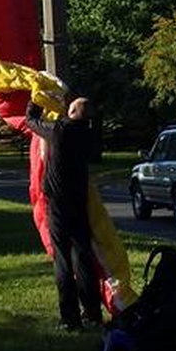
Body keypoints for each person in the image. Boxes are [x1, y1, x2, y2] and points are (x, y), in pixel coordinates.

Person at [26, 96, 103, 331]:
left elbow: (32, 122)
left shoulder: (61, 130)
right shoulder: (88, 135)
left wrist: (35, 99)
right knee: (83, 255)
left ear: (71, 111)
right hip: (80, 201)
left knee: (62, 258)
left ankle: (70, 318)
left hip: (58, 203)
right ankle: (92, 313)